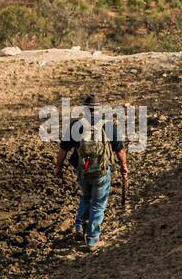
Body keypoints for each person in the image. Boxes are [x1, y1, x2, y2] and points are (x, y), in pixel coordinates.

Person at [55, 93, 129, 249]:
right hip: (102, 171)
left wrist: (58, 168)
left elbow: (63, 150)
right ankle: (92, 239)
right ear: (99, 109)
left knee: (86, 196)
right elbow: (120, 151)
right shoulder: (108, 125)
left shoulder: (76, 125)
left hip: (83, 170)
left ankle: (79, 225)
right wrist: (124, 167)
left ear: (84, 109)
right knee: (98, 203)